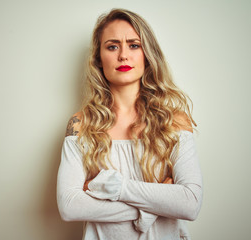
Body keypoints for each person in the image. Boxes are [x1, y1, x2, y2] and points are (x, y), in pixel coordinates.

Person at [57, 8, 202, 240]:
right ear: (98, 58)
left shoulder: (173, 120)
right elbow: (70, 206)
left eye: (134, 45)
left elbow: (190, 204)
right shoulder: (81, 124)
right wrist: (159, 202)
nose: (123, 55)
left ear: (147, 54)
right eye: (112, 46)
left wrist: (110, 188)